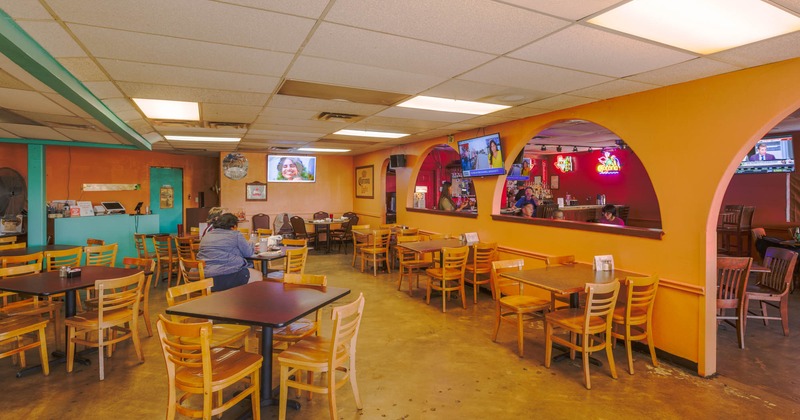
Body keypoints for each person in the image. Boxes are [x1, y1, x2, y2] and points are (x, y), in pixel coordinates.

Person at [196, 213, 262, 291]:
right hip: (222, 277)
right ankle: (244, 298)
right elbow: (248, 253)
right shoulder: (235, 234)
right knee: (258, 275)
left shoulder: (207, 235)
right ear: (234, 226)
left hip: (202, 278)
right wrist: (252, 246)